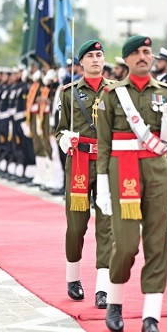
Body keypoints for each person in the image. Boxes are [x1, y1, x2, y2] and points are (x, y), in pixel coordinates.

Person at [96, 35, 167, 332]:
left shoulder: (166, 92)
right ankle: (115, 302)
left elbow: (166, 141)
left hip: (156, 172)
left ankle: (151, 316)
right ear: (126, 59)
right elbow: (104, 145)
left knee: (158, 243)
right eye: (138, 53)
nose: (145, 57)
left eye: (148, 52)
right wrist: (103, 185)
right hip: (123, 173)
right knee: (127, 244)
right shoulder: (112, 95)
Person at [55, 39, 113, 310]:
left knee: (107, 227)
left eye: (99, 55)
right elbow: (60, 128)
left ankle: (103, 287)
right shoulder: (68, 93)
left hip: (107, 164)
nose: (95, 59)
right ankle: (73, 277)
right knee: (77, 225)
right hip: (79, 162)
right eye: (90, 56)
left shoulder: (116, 92)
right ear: (81, 63)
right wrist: (64, 139)